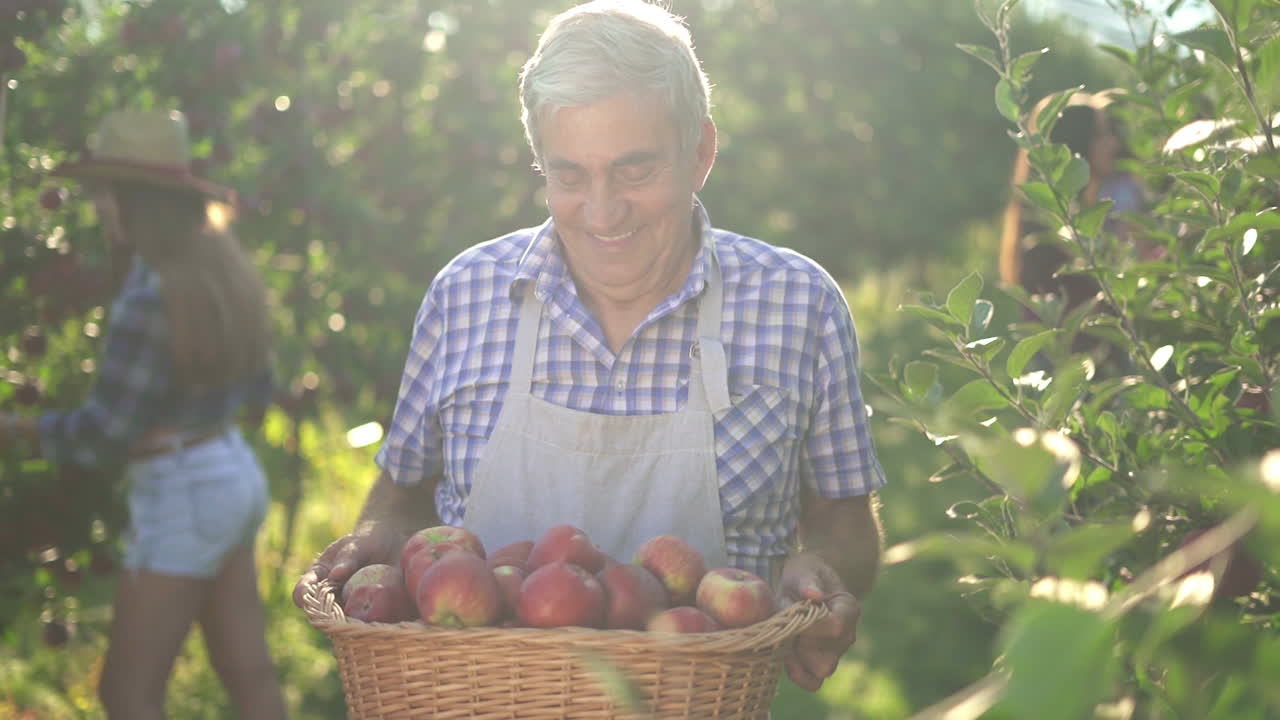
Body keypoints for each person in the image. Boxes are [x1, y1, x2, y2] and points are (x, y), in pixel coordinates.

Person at [294, 0, 884, 693]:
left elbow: (843, 515)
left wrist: (826, 576)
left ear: (700, 152)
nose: (602, 212)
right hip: (475, 702)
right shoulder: (466, 296)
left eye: (634, 171)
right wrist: (376, 545)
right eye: (570, 176)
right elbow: (400, 499)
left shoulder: (799, 305)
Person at [0, 109, 288, 720]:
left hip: (182, 489)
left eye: (108, 193)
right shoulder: (219, 270)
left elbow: (106, 432)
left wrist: (21, 431)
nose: (99, 206)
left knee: (127, 692)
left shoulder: (150, 296)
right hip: (231, 469)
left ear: (139, 202)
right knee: (248, 671)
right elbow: (260, 383)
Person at [998, 90, 1150, 308]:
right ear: (1074, 146)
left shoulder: (1090, 221)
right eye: (1101, 135)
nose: (1114, 144)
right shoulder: (1054, 245)